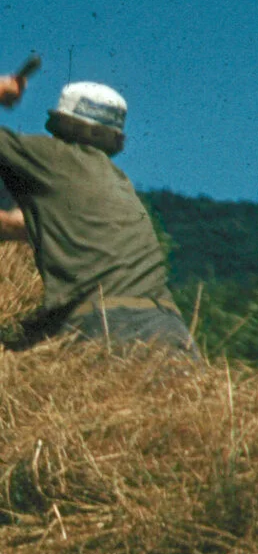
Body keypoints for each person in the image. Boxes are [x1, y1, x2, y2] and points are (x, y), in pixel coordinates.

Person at [0, 72, 200, 354]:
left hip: (107, 329)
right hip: (172, 334)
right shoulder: (117, 181)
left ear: (61, 121)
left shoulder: (52, 156)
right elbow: (29, 226)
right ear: (115, 137)